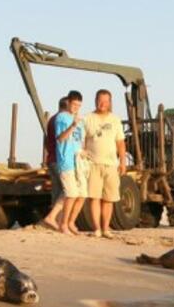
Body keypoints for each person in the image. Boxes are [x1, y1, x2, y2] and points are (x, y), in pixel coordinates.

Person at [83, 89, 126, 239]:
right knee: (94, 197)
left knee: (109, 198)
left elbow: (120, 142)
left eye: (106, 101)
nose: (103, 104)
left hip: (111, 165)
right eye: (100, 100)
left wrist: (123, 162)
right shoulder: (87, 118)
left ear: (110, 102)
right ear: (96, 100)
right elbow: (82, 140)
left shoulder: (115, 119)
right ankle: (96, 229)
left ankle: (106, 228)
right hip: (93, 164)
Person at [54, 90, 87, 235]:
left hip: (78, 161)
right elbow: (60, 138)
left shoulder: (78, 119)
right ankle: (63, 224)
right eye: (74, 104)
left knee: (82, 194)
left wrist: (83, 150)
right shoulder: (62, 117)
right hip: (66, 160)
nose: (76, 108)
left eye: (78, 105)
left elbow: (79, 140)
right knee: (71, 194)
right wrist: (73, 125)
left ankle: (71, 222)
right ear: (68, 102)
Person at [42, 96, 69, 230]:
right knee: (67, 190)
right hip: (60, 160)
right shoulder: (63, 120)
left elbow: (46, 141)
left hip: (51, 159)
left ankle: (54, 223)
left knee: (57, 191)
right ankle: (55, 219)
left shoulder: (52, 119)